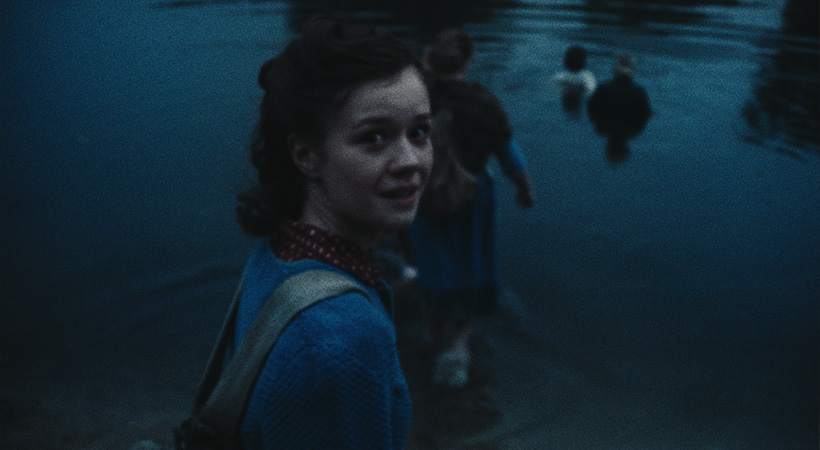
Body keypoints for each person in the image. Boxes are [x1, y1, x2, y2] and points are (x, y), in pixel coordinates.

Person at [233, 17, 432, 449]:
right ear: (306, 154)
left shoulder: (276, 253)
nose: (410, 161)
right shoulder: (340, 343)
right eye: (374, 137)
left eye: (419, 132)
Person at [406, 29, 535, 388]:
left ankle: (434, 340)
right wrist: (525, 191)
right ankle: (458, 349)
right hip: (472, 199)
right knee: (471, 269)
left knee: (432, 266)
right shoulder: (483, 102)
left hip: (424, 196)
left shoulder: (416, 98)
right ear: (467, 62)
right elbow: (510, 156)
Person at [586, 53, 651, 162]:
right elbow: (645, 115)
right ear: (633, 70)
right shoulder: (639, 93)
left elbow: (591, 110)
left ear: (614, 69)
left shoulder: (602, 89)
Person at [552, 45, 597, 112]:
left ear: (565, 61)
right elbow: (591, 91)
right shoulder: (588, 77)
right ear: (584, 62)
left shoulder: (559, 76)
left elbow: (553, 90)